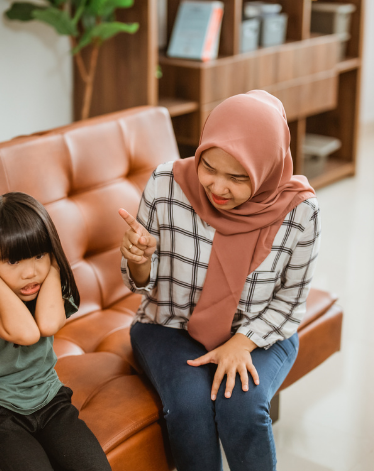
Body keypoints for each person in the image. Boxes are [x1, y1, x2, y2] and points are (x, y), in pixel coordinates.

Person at [119, 90, 321, 471]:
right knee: (189, 407)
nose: (217, 187)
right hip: (169, 326)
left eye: (238, 177)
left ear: (266, 169)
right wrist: (139, 261)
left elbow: (291, 301)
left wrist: (240, 344)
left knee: (242, 405)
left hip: (260, 332)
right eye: (208, 166)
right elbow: (141, 285)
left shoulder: (300, 212)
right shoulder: (166, 184)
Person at [0, 192, 111, 471]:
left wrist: (54, 266)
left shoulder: (47, 286)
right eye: (13, 261)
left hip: (49, 400)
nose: (30, 272)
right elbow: (26, 333)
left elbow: (46, 325)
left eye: (39, 255)